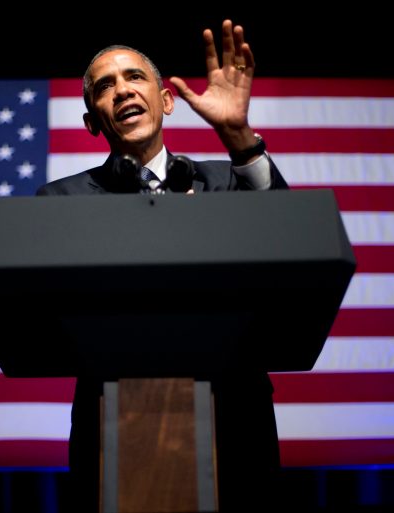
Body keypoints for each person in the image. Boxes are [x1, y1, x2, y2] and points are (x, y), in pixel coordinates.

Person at [37, 19, 288, 512]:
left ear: (167, 100)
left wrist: (238, 134)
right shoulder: (61, 199)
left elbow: (288, 233)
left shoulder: (227, 181)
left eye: (134, 77)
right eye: (105, 87)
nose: (122, 90)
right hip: (115, 419)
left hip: (234, 415)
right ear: (93, 122)